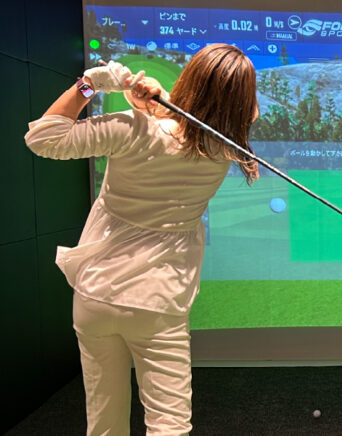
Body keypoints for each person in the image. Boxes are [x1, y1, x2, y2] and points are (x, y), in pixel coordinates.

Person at [24, 43, 259, 435]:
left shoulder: (129, 128)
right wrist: (156, 102)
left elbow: (44, 138)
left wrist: (90, 84)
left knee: (104, 422)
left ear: (188, 80)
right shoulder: (223, 148)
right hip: (158, 301)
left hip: (96, 293)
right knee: (169, 424)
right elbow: (203, 124)